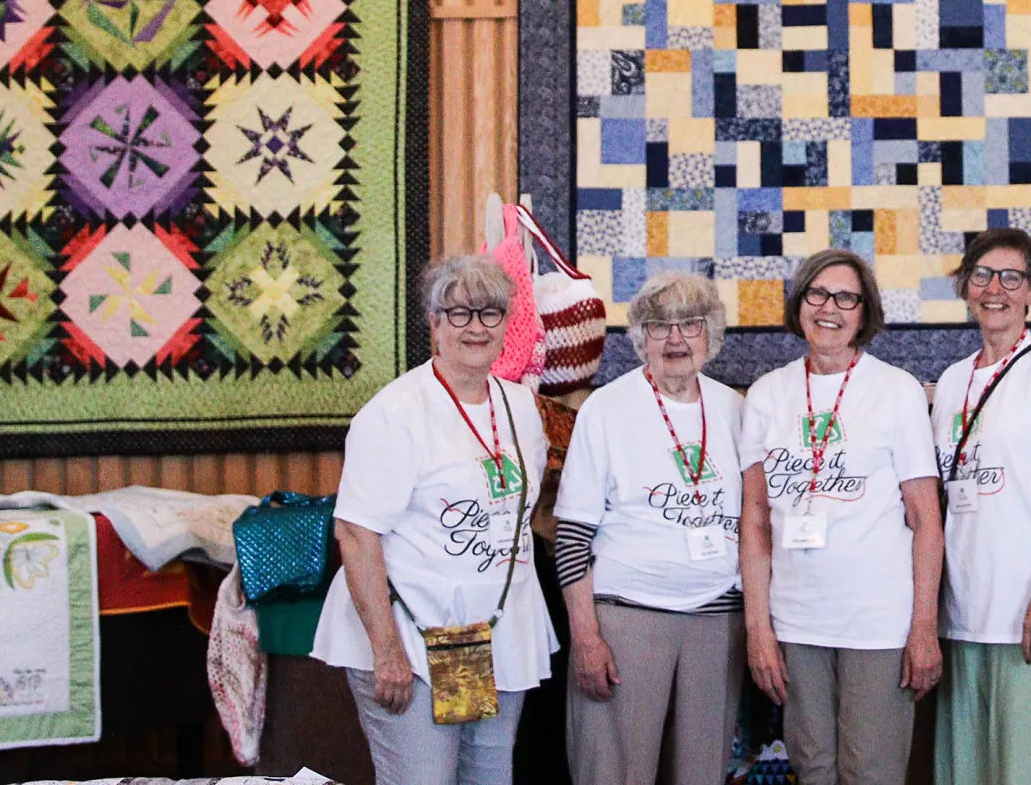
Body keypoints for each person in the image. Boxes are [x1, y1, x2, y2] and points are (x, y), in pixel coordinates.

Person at [317, 255, 556, 785]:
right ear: (434, 323)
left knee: (488, 779)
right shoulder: (395, 413)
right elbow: (356, 535)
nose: (475, 326)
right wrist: (387, 653)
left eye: (489, 313)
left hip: (496, 637)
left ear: (506, 324)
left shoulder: (521, 407)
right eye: (458, 312)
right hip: (411, 641)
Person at [737, 249, 943, 785]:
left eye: (846, 297)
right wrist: (760, 629)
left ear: (863, 312)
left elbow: (926, 520)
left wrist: (924, 627)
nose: (830, 308)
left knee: (869, 771)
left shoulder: (896, 391)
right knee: (813, 768)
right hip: (797, 621)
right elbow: (756, 524)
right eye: (818, 293)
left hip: (877, 622)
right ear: (800, 302)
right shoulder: (766, 396)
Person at [554, 272, 747, 785]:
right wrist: (587, 638)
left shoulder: (736, 410)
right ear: (640, 338)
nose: (676, 339)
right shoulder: (606, 410)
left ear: (712, 335)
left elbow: (757, 527)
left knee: (702, 775)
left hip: (717, 624)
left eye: (690, 324)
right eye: (660, 326)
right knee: (613, 774)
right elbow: (572, 537)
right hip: (626, 622)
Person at [927, 229, 1031, 785]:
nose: (994, 289)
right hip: (967, 613)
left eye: (1010, 277)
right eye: (981, 276)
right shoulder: (951, 382)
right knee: (970, 771)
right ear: (965, 287)